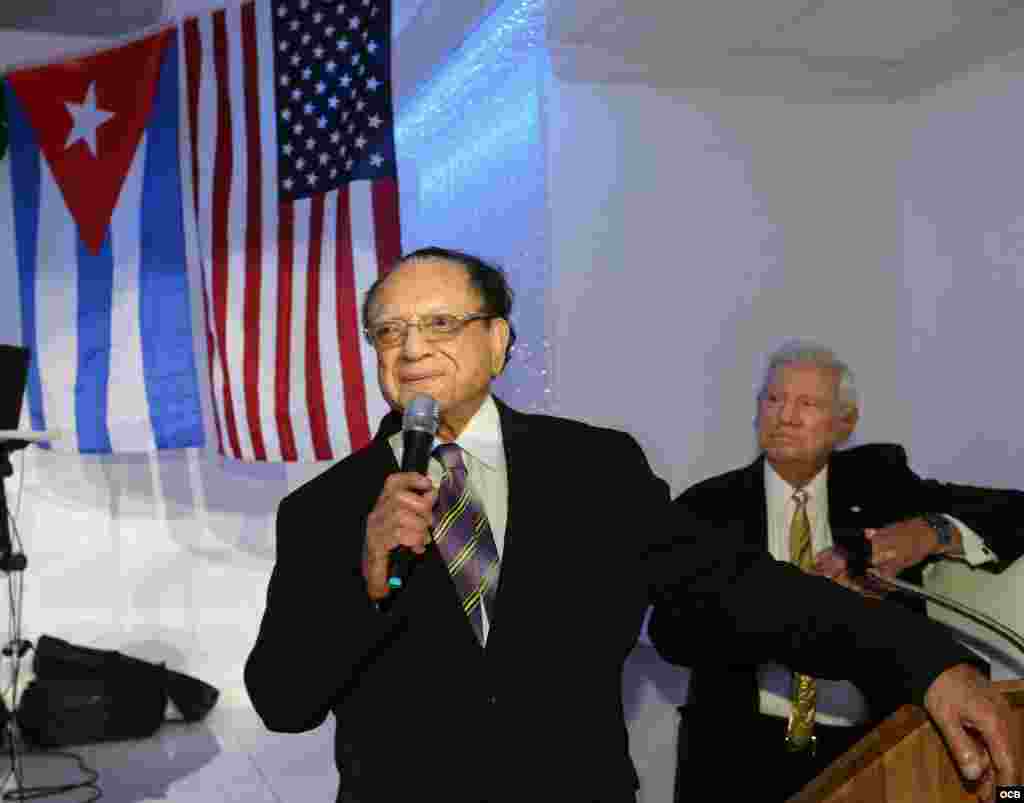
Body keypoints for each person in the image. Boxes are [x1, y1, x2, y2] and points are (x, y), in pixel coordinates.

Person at [245, 251, 1019, 803]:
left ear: (499, 342)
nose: (411, 347)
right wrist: (365, 572)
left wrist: (927, 661)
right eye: (388, 330)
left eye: (441, 321)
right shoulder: (323, 509)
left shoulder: (595, 469)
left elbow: (747, 588)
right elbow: (282, 698)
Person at [650, 340, 1024, 802]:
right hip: (739, 751)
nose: (785, 416)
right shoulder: (707, 506)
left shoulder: (882, 481)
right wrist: (809, 613)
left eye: (806, 403)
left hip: (874, 745)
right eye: (773, 399)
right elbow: (669, 631)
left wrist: (931, 532)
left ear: (845, 423)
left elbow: (1013, 513)